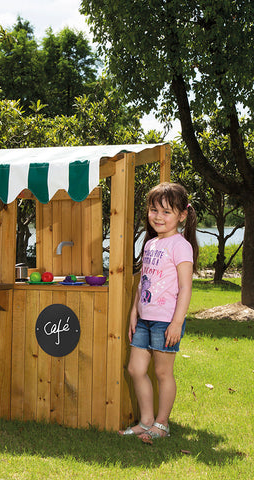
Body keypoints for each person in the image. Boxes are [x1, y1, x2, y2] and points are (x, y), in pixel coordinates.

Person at [119, 182, 198, 440]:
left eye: (166, 212)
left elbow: (185, 288)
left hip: (166, 321)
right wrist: (134, 312)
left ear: (182, 215)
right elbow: (143, 281)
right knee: (136, 369)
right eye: (154, 210)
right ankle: (146, 421)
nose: (159, 217)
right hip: (144, 319)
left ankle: (161, 425)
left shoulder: (180, 245)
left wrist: (177, 322)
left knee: (163, 373)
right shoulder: (151, 244)